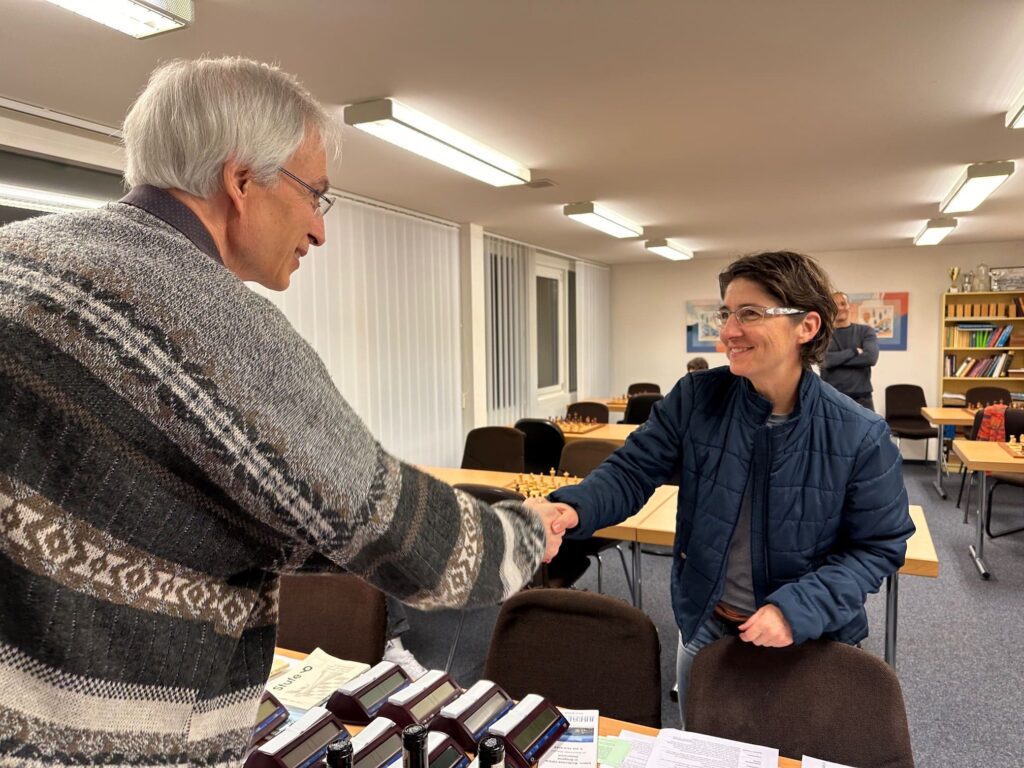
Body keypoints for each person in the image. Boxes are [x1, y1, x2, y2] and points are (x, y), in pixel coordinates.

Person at [0, 57, 568, 765]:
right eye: (315, 196)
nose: (320, 231)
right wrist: (523, 531)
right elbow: (410, 545)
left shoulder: (14, 258)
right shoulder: (215, 323)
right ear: (241, 182)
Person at [546, 251, 913, 725]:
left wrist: (797, 610)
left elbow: (878, 546)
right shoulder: (697, 397)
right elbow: (633, 470)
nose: (727, 331)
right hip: (705, 625)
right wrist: (570, 508)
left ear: (806, 327)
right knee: (700, 745)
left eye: (751, 313)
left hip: (808, 638)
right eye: (726, 313)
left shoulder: (859, 433)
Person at [819, 291, 879, 410]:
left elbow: (870, 358)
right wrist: (854, 351)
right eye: (834, 305)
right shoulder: (822, 334)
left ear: (849, 306)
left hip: (862, 399)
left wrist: (836, 359)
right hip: (830, 398)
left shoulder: (866, 331)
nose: (839, 308)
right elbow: (825, 361)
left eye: (842, 304)